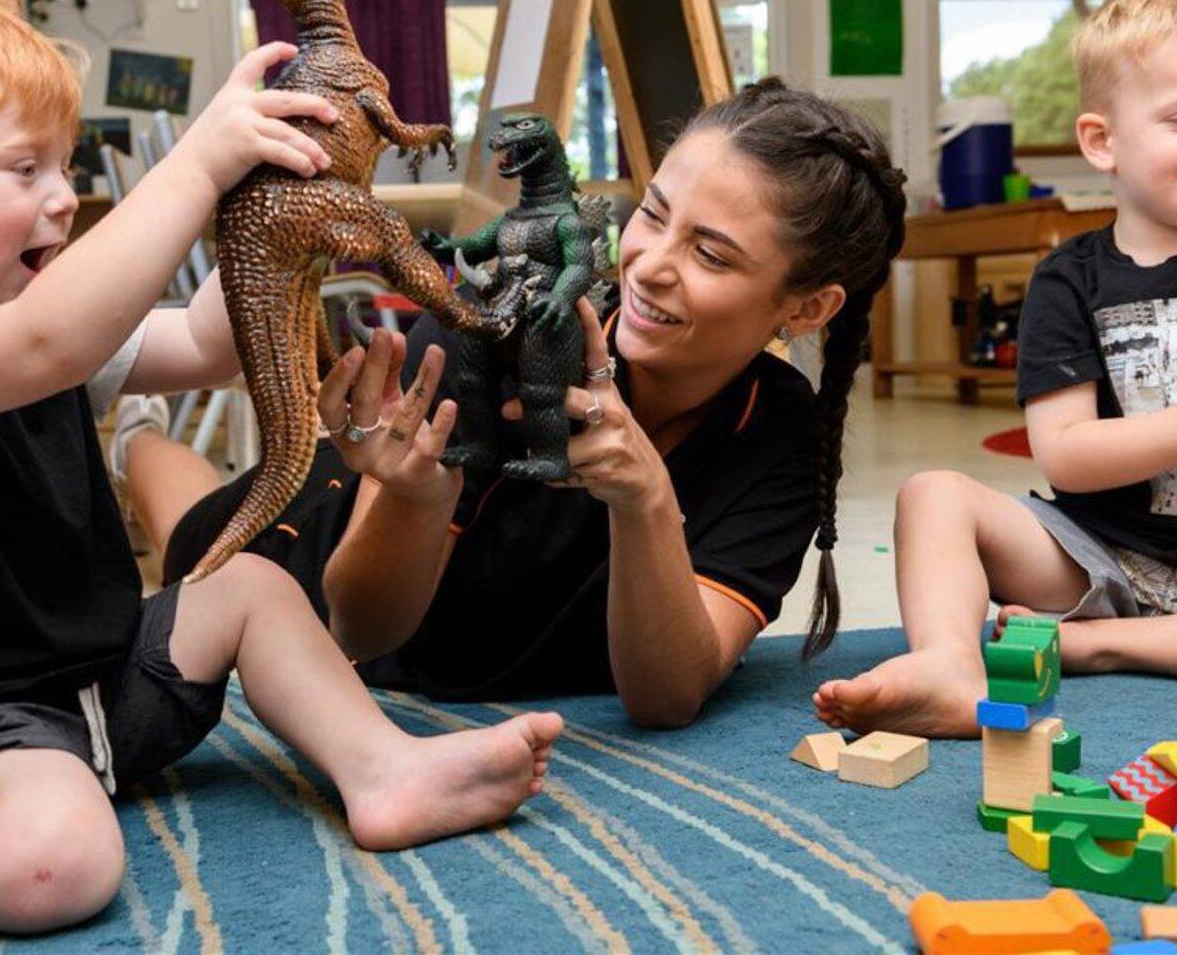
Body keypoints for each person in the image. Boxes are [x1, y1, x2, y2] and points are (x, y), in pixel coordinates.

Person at [0, 0, 561, 955]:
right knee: (61, 859)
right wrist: (195, 165)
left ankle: (380, 768)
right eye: (24, 168)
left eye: (66, 166)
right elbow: (48, 343)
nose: (60, 197)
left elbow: (205, 342)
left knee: (248, 585)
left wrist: (278, 200)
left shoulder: (34, 313)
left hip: (97, 685)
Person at [117, 78, 907, 729]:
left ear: (807, 308)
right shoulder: (495, 333)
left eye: (710, 253)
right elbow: (362, 628)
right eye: (653, 213)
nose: (649, 265)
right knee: (191, 536)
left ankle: (140, 438)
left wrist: (645, 500)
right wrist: (416, 496)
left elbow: (666, 696)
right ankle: (135, 436)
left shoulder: (781, 430)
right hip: (324, 535)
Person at [815, 0, 1177, 739]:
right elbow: (1068, 457)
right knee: (933, 495)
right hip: (1097, 556)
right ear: (1102, 142)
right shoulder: (1068, 280)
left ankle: (1102, 646)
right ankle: (949, 664)